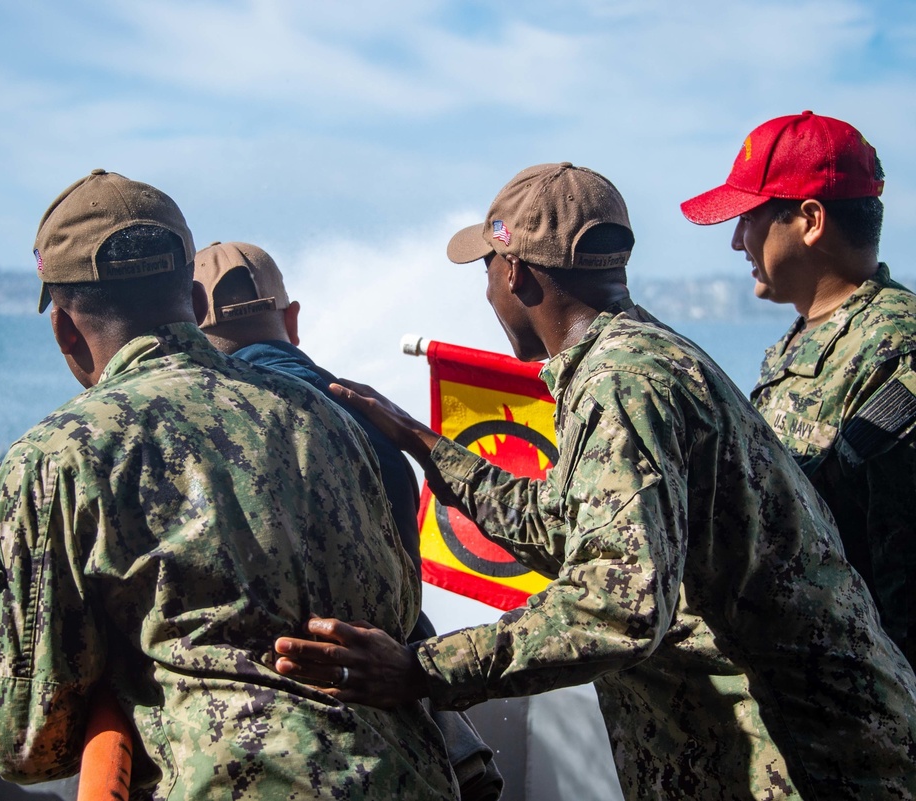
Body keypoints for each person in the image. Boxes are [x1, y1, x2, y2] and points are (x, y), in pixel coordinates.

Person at [272, 162, 916, 800]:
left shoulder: (624, 382)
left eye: (488, 272)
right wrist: (424, 443)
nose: (491, 291)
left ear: (514, 271)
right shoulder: (639, 357)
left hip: (797, 760)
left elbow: (615, 607)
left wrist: (419, 669)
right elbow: (570, 529)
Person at [0, 169, 458, 800]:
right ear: (193, 304)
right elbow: (399, 618)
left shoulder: (57, 457)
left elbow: (23, 740)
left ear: (63, 327)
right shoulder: (331, 417)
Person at [192, 240, 502, 800]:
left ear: (190, 324)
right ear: (291, 319)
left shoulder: (194, 427)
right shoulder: (369, 417)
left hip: (251, 754)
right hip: (401, 750)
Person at [680, 110, 915, 667]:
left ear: (810, 220)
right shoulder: (809, 337)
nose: (738, 241)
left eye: (751, 218)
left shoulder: (895, 349)